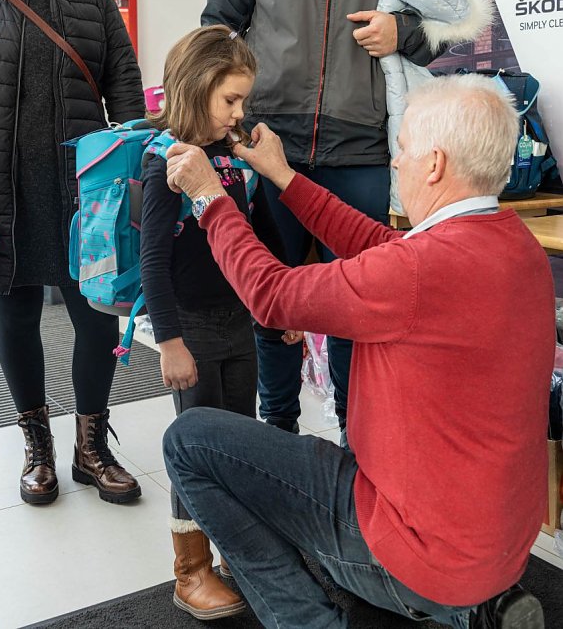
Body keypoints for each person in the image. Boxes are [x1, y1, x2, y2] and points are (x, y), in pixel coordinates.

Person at [162, 74, 552, 629]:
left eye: (402, 151)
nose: (395, 165)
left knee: (188, 441)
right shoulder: (516, 246)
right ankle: (469, 605)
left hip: (423, 555)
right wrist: (283, 176)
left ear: (435, 164)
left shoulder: (418, 271)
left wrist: (209, 198)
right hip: (502, 547)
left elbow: (271, 296)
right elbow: (380, 245)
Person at [202, 0, 448, 436]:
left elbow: (439, 27)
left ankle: (352, 443)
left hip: (360, 155)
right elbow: (217, 29)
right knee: (271, 301)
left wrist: (403, 35)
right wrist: (225, 121)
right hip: (268, 144)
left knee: (354, 311)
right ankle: (277, 434)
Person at [0, 0, 145, 506]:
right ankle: (37, 448)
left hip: (87, 195)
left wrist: (135, 171)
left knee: (93, 314)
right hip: (10, 194)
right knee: (19, 315)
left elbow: (126, 87)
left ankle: (90, 448)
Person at [139, 25, 300, 620]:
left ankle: (238, 549)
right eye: (229, 99)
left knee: (241, 438)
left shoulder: (235, 160)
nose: (239, 112)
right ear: (196, 86)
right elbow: (154, 265)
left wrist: (281, 306)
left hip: (240, 322)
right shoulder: (167, 164)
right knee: (195, 450)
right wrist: (170, 343)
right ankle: (191, 569)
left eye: (243, 100)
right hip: (194, 330)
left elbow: (261, 237)